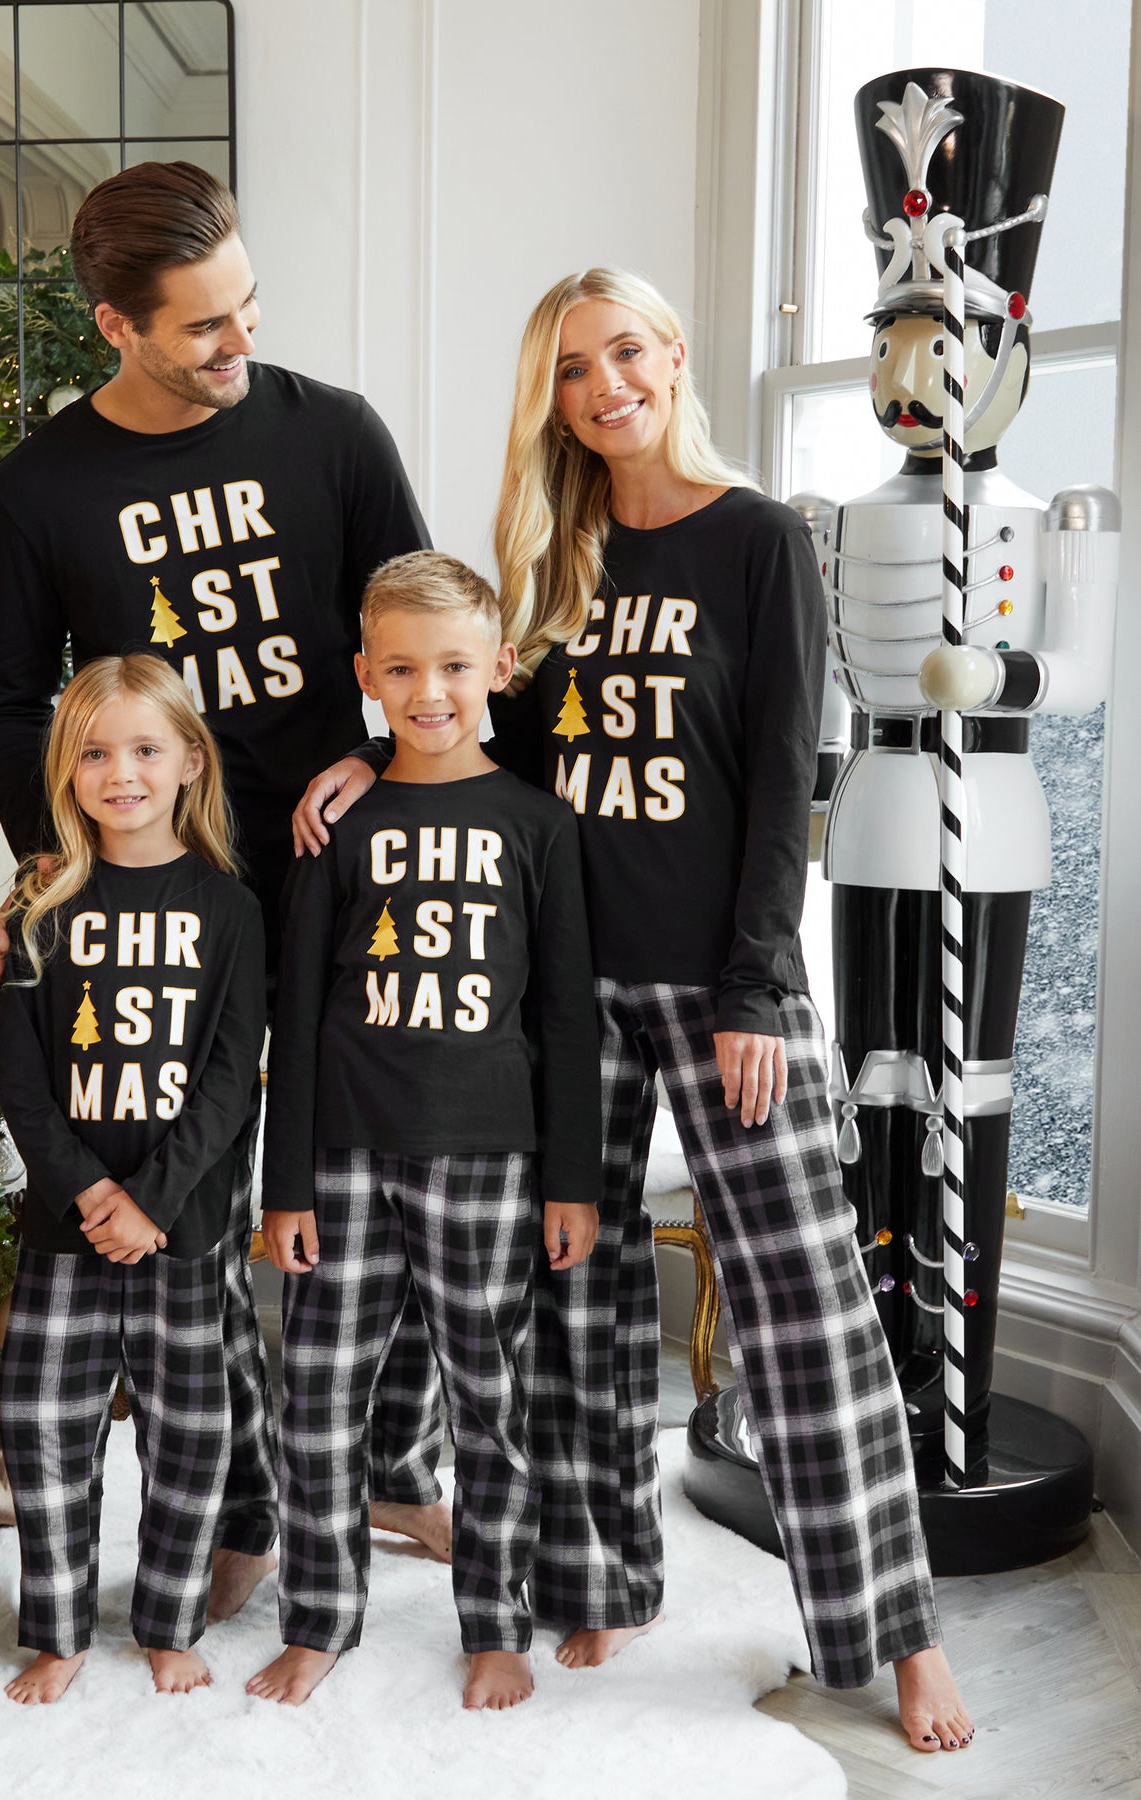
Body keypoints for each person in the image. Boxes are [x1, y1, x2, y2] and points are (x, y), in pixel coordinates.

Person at [294, 270, 975, 1754]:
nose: (603, 386)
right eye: (570, 368)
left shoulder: (760, 541)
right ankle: (599, 1574)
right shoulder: (548, 561)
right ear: (549, 399)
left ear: (670, 357)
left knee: (806, 1304)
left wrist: (754, 984)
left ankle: (897, 1635)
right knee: (572, 1295)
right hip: (557, 987)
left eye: (623, 353)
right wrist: (364, 757)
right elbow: (485, 738)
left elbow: (786, 772)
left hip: (726, 987)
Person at [0, 160, 450, 1617]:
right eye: (203, 327)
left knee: (375, 1181)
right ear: (116, 327)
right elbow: (11, 697)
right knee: (201, 1195)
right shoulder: (42, 487)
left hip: (341, 864)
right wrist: (50, 862)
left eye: (247, 306)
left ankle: (386, 1464)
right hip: (162, 893)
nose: (242, 342)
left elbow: (416, 627)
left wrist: (376, 754)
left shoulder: (334, 433)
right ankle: (245, 1499)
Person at [248, 551, 601, 1712]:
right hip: (343, 1155)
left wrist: (570, 1179)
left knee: (489, 1403)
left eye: (452, 665)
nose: (428, 690)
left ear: (498, 667)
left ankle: (494, 1623)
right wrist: (284, 1185)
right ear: (364, 675)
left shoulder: (538, 825)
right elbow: (297, 1013)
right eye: (400, 668)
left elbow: (563, 1017)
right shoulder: (336, 824)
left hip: (490, 1157)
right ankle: (317, 1620)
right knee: (317, 1398)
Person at [0, 653, 266, 1704]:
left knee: (187, 1438)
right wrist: (86, 1192)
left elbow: (230, 1077)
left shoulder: (228, 909)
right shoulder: (39, 906)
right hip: (65, 1227)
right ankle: (58, 1630)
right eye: (96, 753)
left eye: (145, 749)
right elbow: (20, 1075)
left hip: (179, 1226)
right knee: (46, 1431)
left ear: (189, 761)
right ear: (68, 771)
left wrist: (151, 1198)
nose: (122, 773)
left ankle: (168, 1622)